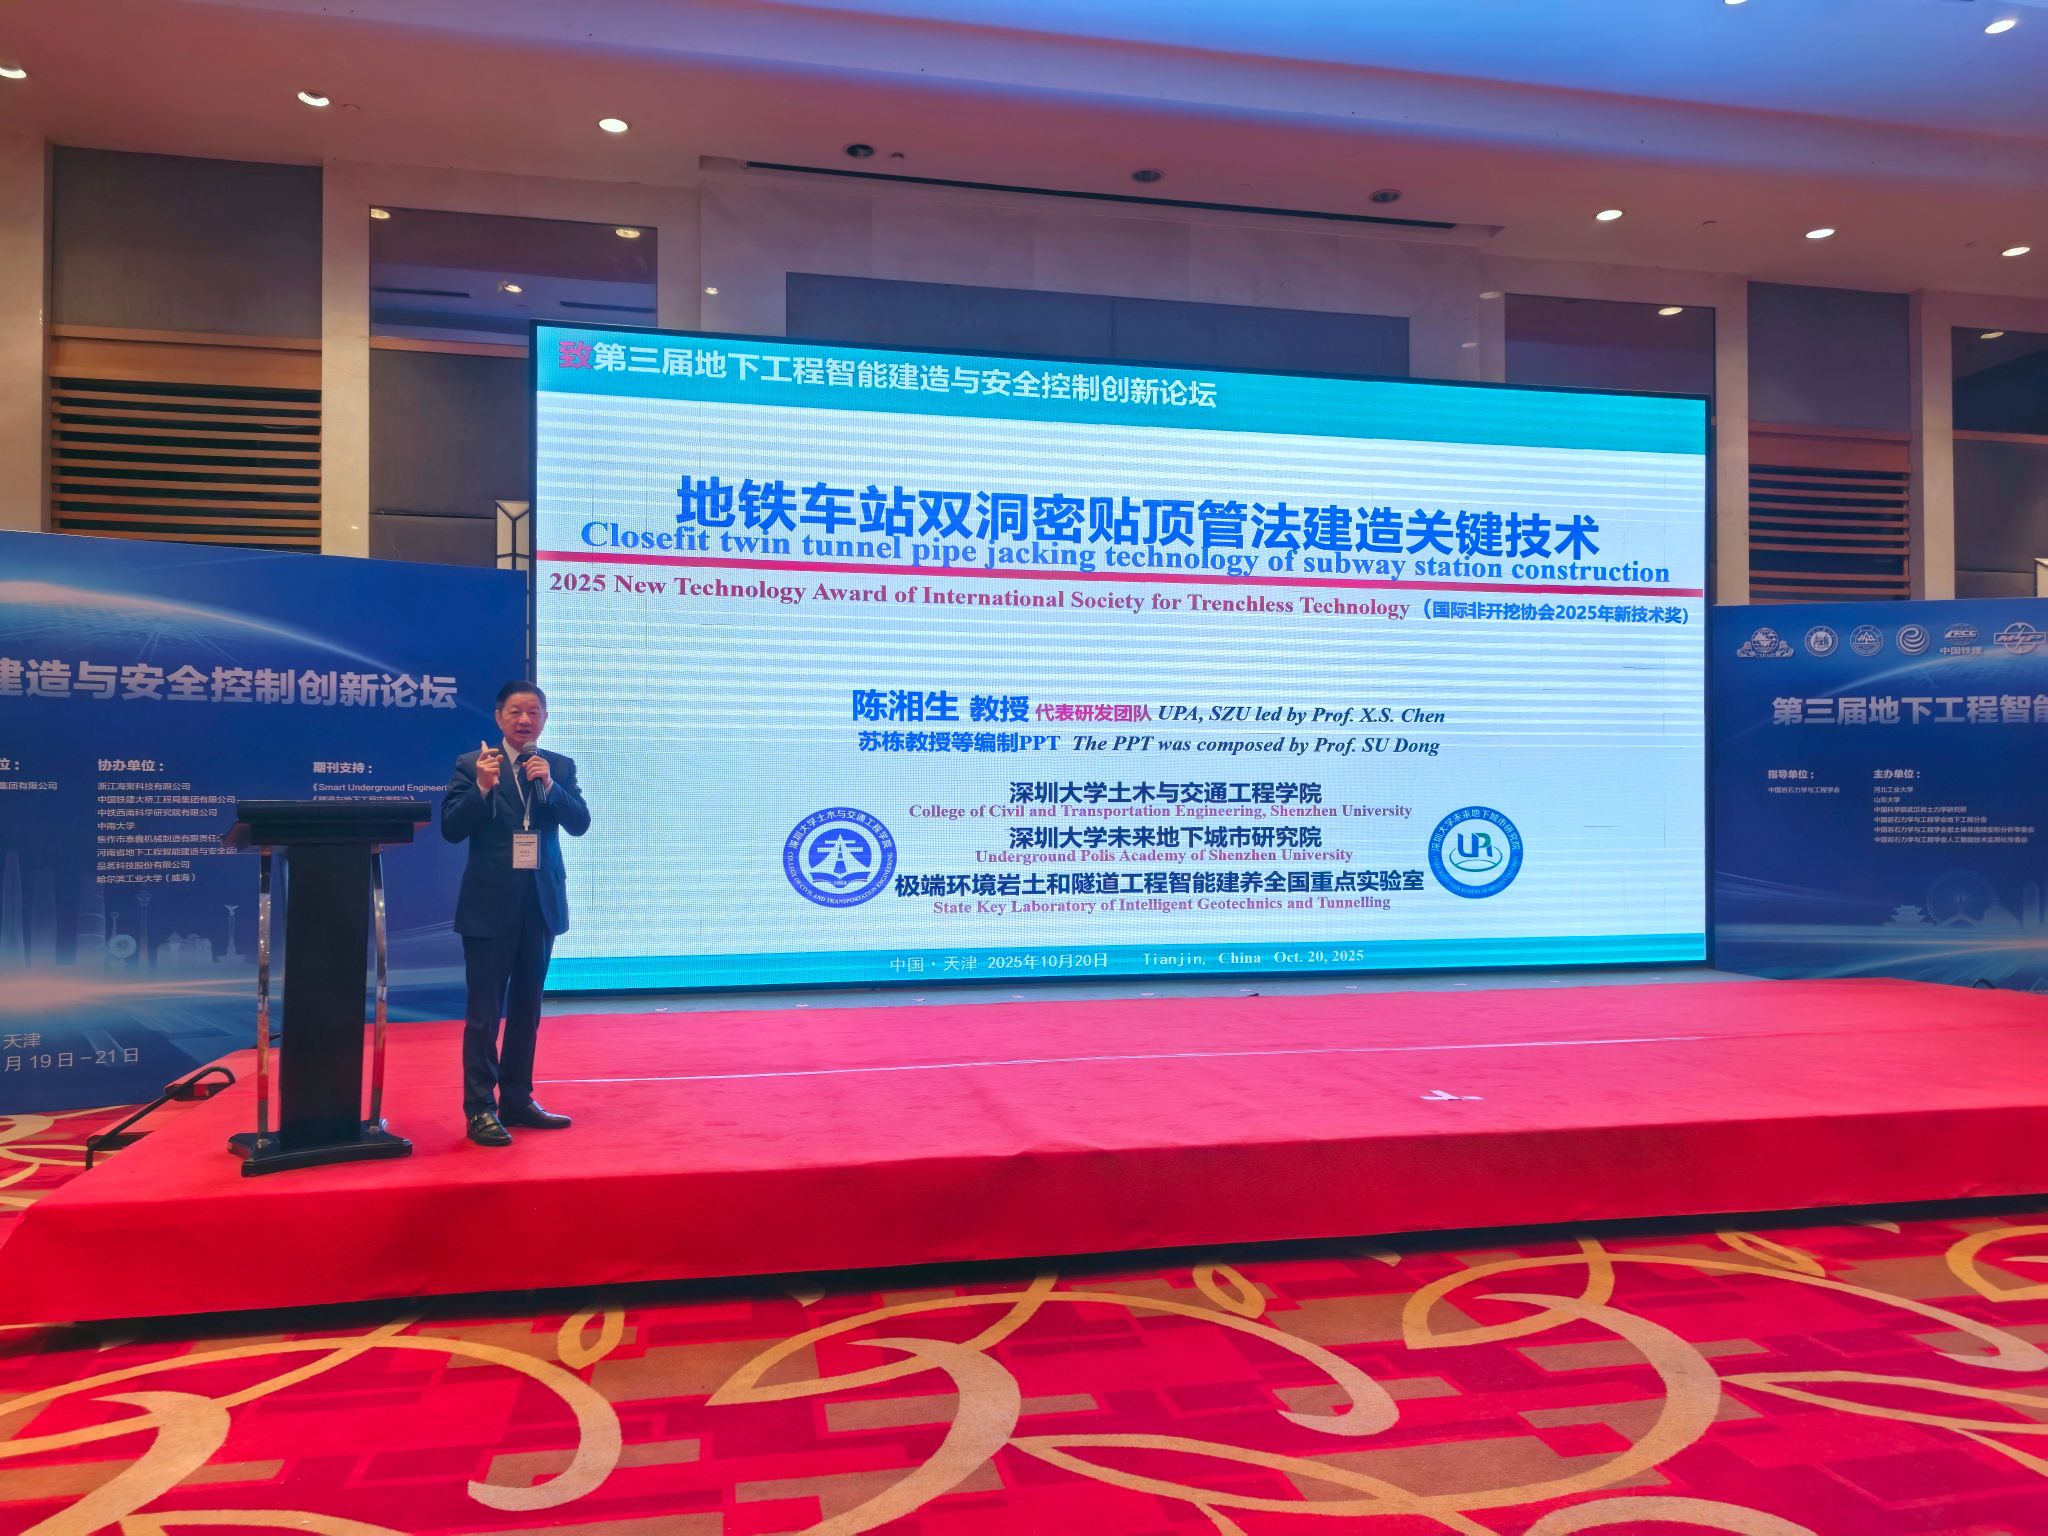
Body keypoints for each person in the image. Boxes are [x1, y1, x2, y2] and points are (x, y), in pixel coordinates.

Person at [441, 680, 591, 1146]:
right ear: (498, 717)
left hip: (540, 905)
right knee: (484, 1014)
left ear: (544, 719)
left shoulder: (558, 767)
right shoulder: (473, 764)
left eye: (533, 712)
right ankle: (479, 1109)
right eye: (515, 712)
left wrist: (550, 786)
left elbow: (580, 824)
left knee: (527, 1010)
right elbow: (451, 828)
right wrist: (482, 789)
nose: (525, 720)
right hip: (489, 907)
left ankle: (517, 1099)